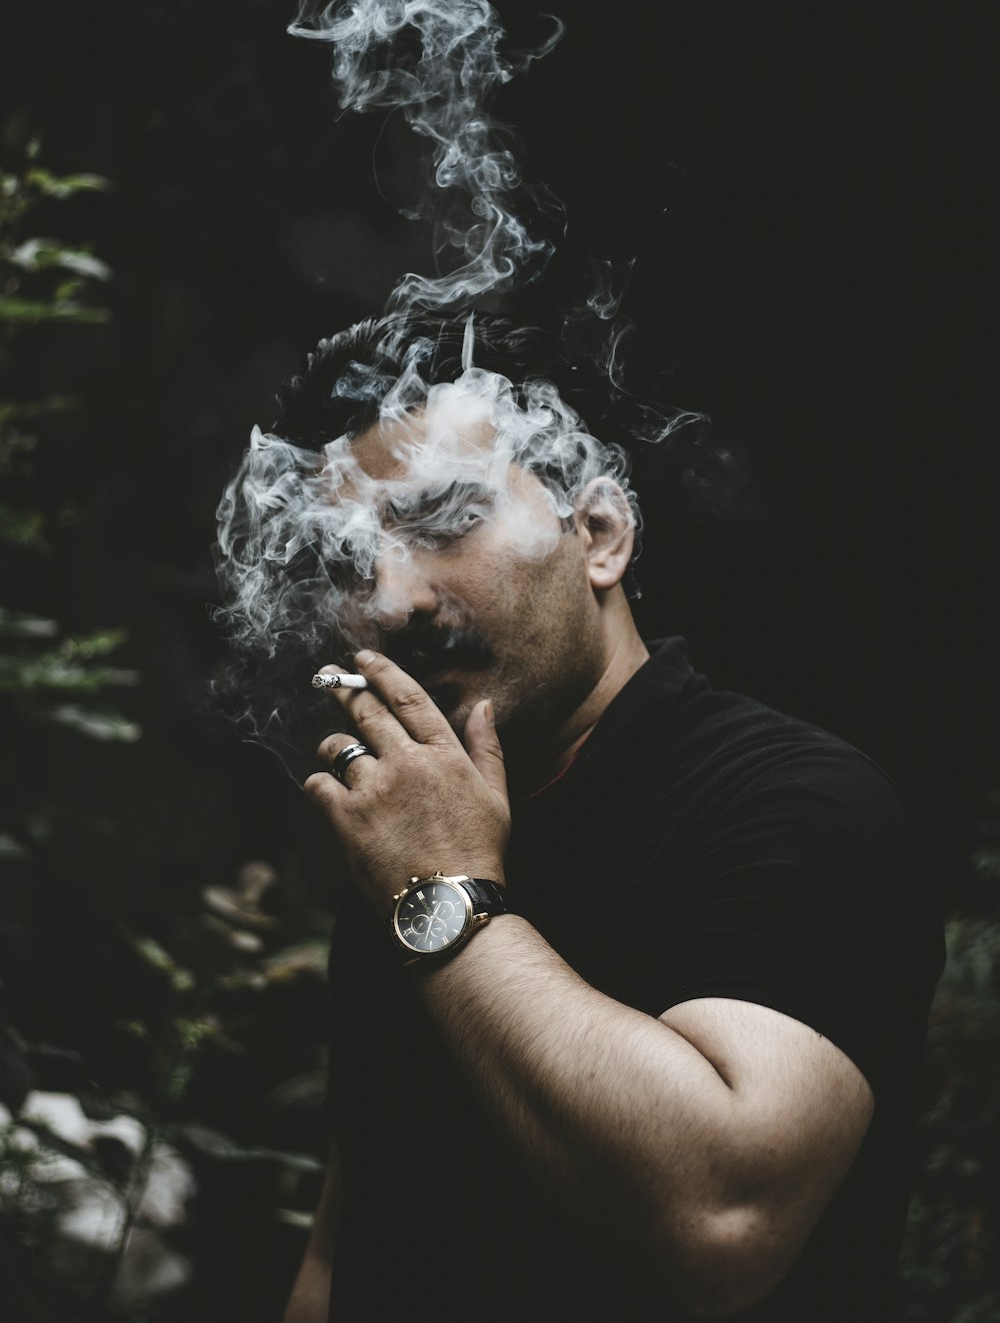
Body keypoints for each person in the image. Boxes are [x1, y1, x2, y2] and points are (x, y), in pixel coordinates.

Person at [213, 313, 944, 1322]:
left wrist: (446, 896)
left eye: (440, 518)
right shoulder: (409, 840)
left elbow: (721, 1221)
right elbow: (348, 1247)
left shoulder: (797, 802)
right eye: (347, 561)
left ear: (598, 535)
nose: (389, 598)